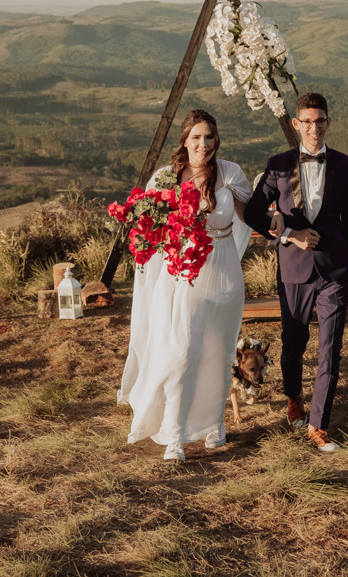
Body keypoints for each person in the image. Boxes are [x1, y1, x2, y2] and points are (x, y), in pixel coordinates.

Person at [118, 109, 253, 462]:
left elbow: (249, 217)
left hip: (222, 269)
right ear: (185, 140)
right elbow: (147, 226)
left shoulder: (230, 173)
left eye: (209, 137)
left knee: (218, 353)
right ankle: (175, 433)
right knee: (182, 353)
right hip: (181, 273)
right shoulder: (165, 179)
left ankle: (214, 425)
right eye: (196, 137)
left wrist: (284, 223)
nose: (203, 144)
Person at [245, 92, 348, 453]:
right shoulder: (279, 164)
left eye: (321, 121)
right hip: (294, 269)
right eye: (307, 122)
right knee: (293, 344)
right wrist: (287, 233)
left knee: (331, 350)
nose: (314, 128)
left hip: (335, 269)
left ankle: (319, 425)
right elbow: (253, 211)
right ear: (297, 125)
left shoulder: (345, 165)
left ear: (329, 123)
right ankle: (293, 397)